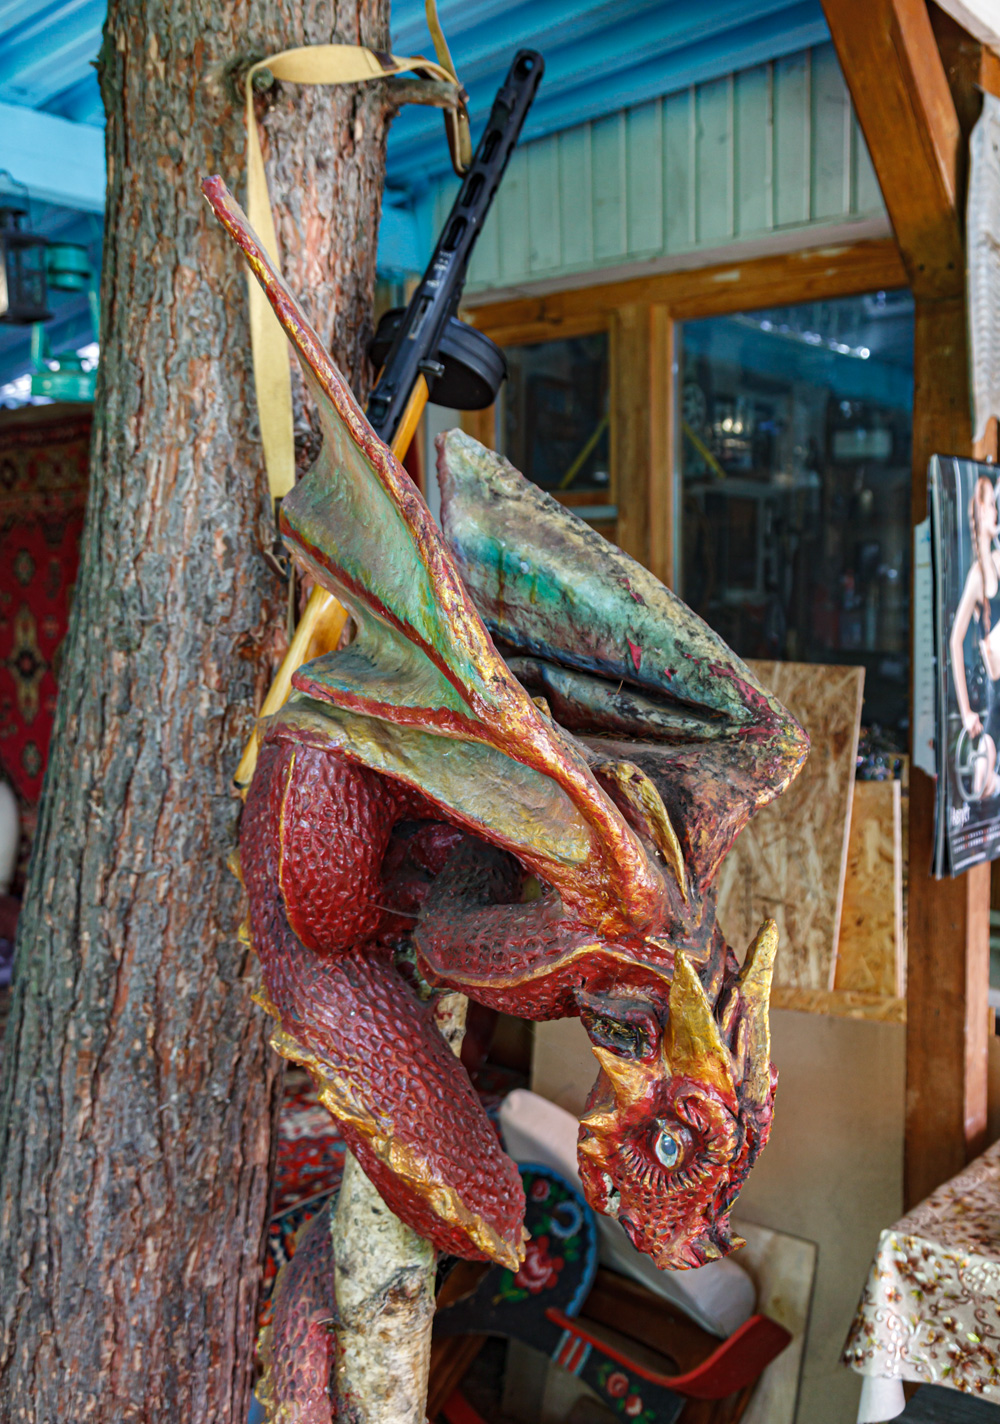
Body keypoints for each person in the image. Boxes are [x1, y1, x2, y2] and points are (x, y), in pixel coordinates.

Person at [950, 474, 1000, 798]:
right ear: (981, 510)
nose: (996, 512)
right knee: (981, 786)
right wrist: (966, 710)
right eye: (992, 505)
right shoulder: (977, 576)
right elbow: (955, 641)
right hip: (996, 693)